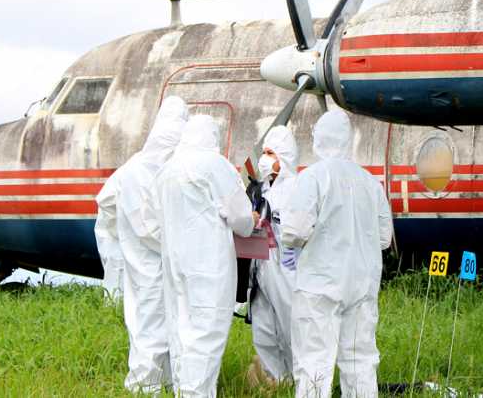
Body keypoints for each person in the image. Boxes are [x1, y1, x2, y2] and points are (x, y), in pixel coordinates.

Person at [282, 110, 393, 398]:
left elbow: (294, 229)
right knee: (360, 358)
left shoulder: (315, 177)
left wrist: (298, 245)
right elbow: (384, 238)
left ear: (321, 138)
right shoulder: (371, 182)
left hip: (321, 282)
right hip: (363, 283)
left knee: (316, 359)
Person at [151, 114, 258, 398]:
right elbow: (240, 219)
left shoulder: (166, 170)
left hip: (175, 265)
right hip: (208, 265)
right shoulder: (213, 165)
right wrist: (253, 217)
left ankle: (183, 391)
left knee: (181, 332)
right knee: (206, 335)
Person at [95, 96, 189, 394]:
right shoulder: (170, 166)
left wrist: (121, 232)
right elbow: (152, 229)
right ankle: (145, 388)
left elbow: (106, 201)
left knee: (154, 323)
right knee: (157, 324)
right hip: (160, 260)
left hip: (144, 259)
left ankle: (157, 385)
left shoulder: (132, 166)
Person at [246, 126, 300, 388]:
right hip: (262, 268)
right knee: (264, 327)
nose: (264, 158)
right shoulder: (261, 190)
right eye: (264, 152)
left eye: (271, 153)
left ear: (285, 156)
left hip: (287, 270)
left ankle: (303, 379)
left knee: (291, 326)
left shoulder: (297, 188)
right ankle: (277, 380)